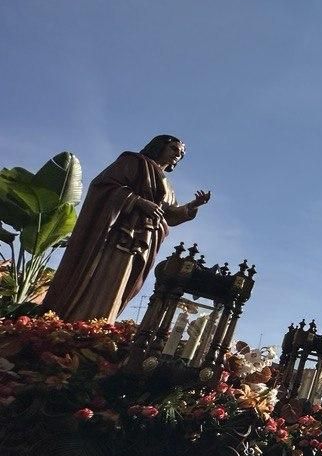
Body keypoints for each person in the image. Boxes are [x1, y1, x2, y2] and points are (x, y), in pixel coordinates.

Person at [43, 135, 211, 322]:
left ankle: (100, 326)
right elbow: (103, 186)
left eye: (180, 154)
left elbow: (169, 215)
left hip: (145, 242)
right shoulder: (134, 162)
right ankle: (78, 321)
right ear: (159, 146)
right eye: (173, 149)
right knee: (103, 275)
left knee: (121, 285)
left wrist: (193, 205)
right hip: (119, 235)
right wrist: (138, 202)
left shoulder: (168, 186)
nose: (177, 155)